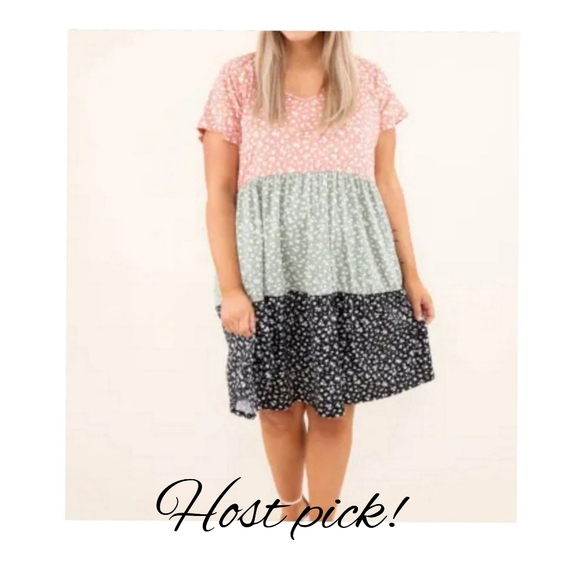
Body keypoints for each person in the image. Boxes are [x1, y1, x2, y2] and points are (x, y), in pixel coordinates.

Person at [197, 31, 435, 522]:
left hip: (351, 273)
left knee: (334, 408)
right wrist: (232, 288)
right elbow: (219, 192)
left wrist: (411, 273)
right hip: (267, 275)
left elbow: (386, 182)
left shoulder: (368, 81)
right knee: (277, 409)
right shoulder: (239, 78)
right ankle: (290, 515)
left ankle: (324, 522)